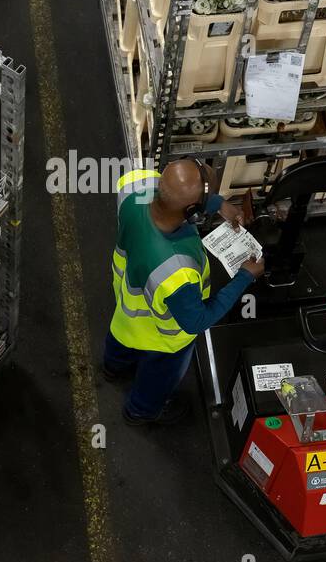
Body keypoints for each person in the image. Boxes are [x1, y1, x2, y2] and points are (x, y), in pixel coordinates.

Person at [104, 160, 264, 426]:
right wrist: (245, 276)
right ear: (192, 209)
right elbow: (196, 321)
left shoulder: (134, 187)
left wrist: (217, 204)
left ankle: (113, 368)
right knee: (159, 374)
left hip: (127, 304)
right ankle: (142, 411)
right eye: (205, 199)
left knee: (121, 337)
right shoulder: (176, 269)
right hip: (162, 338)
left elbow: (170, 193)